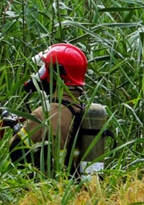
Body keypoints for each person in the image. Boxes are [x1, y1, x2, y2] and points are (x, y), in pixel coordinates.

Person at [7, 43, 88, 176]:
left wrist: (18, 131)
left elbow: (17, 154)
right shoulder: (88, 112)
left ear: (56, 74)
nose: (40, 75)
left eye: (45, 69)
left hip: (52, 191)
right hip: (83, 191)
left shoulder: (44, 114)